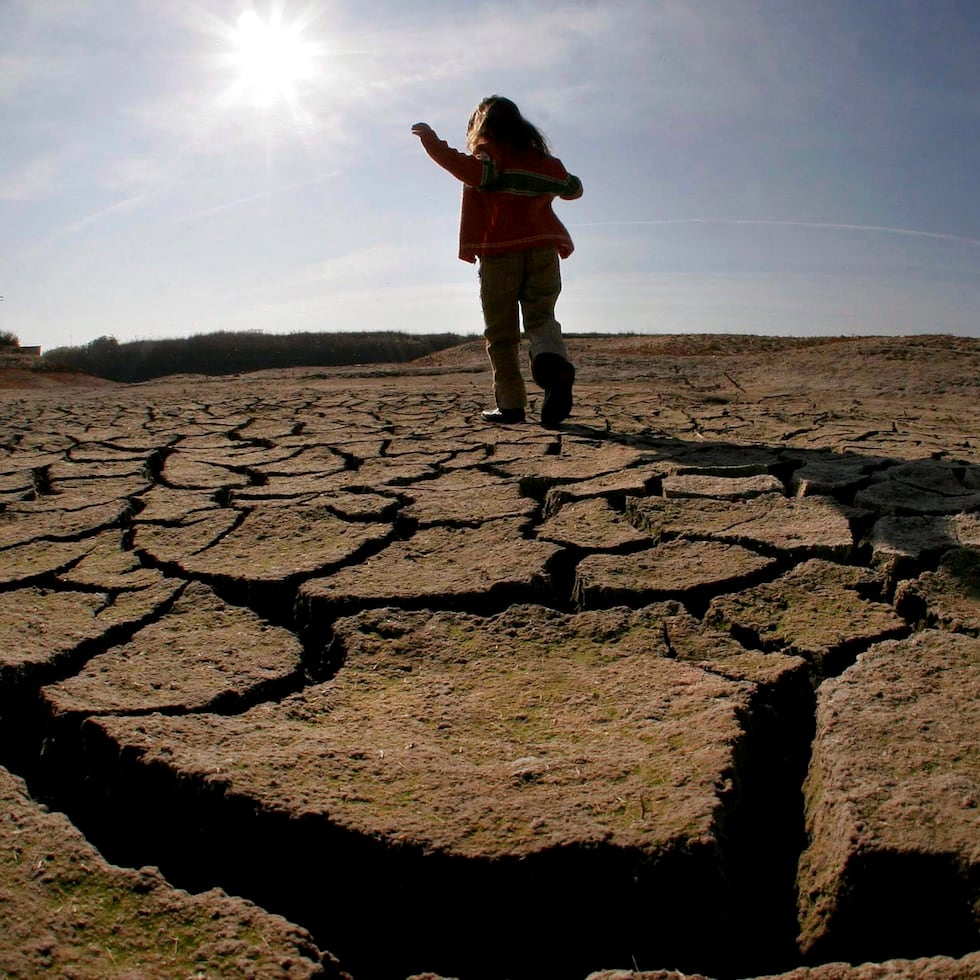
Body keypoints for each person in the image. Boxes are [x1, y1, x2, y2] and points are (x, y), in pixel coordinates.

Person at [412, 96, 583, 426]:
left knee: (502, 333)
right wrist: (547, 173)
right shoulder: (541, 161)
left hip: (499, 252)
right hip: (544, 251)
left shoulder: (489, 154)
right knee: (541, 319)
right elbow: (572, 188)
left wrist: (432, 143)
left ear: (483, 125)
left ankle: (511, 405)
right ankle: (554, 369)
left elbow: (472, 172)